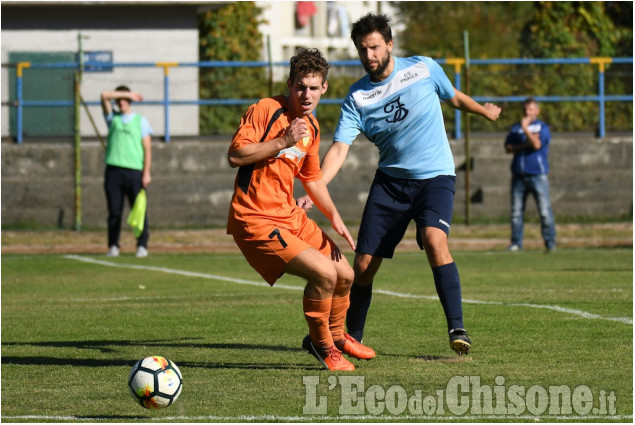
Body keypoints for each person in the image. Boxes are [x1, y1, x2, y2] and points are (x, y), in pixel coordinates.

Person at [298, 14, 501, 356]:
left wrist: (484, 111)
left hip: (435, 177)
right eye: (363, 49)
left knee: (435, 241)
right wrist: (313, 188)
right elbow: (339, 150)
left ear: (390, 44)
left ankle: (457, 327)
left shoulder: (423, 69)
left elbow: (453, 97)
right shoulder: (357, 98)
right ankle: (351, 336)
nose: (369, 55)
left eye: (375, 46)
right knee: (361, 267)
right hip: (391, 185)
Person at [226, 48, 375, 371]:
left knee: (346, 275)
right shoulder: (267, 109)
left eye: (313, 87)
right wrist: (282, 141)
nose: (306, 94)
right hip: (255, 218)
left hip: (288, 215)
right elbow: (236, 155)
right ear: (290, 85)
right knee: (323, 273)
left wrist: (335, 217)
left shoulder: (313, 127)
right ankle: (322, 346)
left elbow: (313, 179)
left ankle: (336, 336)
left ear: (324, 88)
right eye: (300, 87)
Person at [101, 85, 153, 258]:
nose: (121, 101)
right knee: (114, 211)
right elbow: (104, 95)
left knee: (138, 210)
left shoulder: (140, 121)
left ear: (130, 101)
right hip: (113, 170)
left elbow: (147, 148)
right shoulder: (113, 118)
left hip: (134, 172)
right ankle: (113, 245)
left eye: (125, 99)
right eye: (119, 99)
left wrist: (146, 173)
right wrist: (125, 93)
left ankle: (142, 245)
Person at [504, 97, 556, 252]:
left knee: (544, 211)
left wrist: (526, 129)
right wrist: (524, 142)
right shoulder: (515, 128)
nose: (527, 112)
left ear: (537, 111)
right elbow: (508, 147)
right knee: (516, 212)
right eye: (525, 109)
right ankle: (516, 243)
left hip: (537, 175)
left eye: (531, 109)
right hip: (518, 175)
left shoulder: (542, 127)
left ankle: (550, 243)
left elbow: (537, 144)